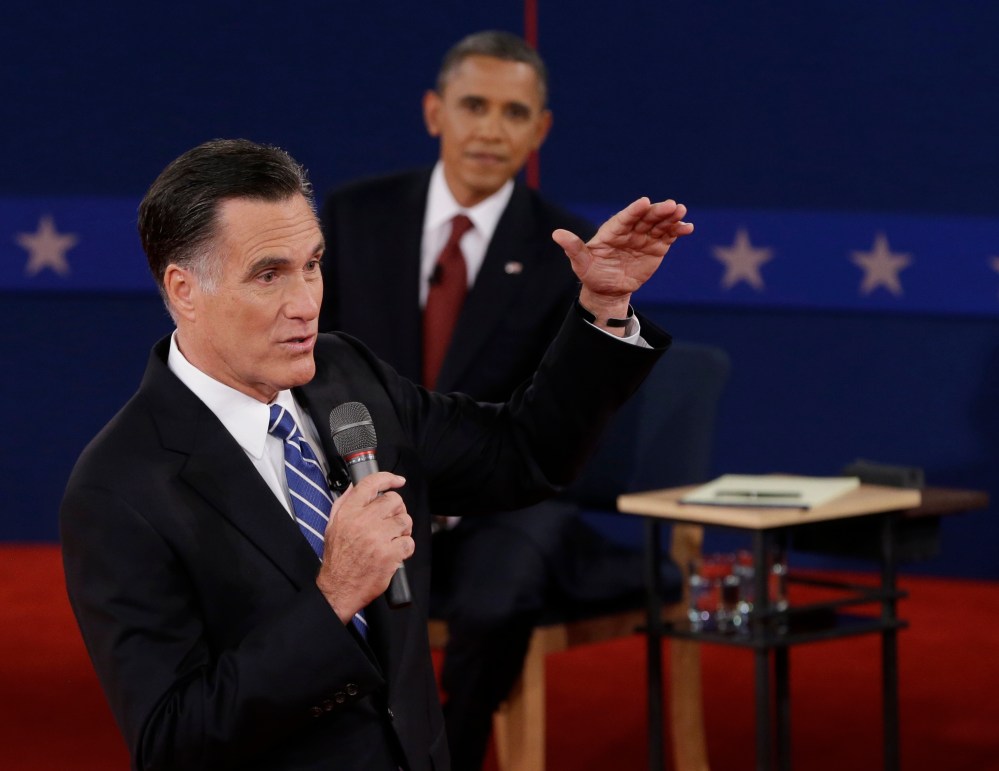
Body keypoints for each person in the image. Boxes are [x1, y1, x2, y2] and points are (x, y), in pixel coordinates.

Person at [59, 137, 692, 771]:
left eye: (313, 265)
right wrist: (333, 597)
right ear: (184, 289)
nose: (306, 303)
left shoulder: (345, 374)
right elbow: (175, 742)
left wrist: (603, 308)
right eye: (269, 274)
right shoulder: (120, 491)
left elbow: (519, 454)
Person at [318, 30, 658, 768]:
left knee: (499, 597)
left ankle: (450, 752)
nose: (490, 128)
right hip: (364, 485)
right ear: (435, 111)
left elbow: (562, 414)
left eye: (513, 112)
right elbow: (311, 364)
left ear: (538, 130)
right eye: (474, 105)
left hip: (502, 502)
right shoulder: (351, 217)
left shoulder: (565, 247)